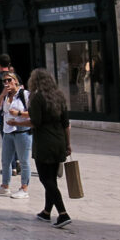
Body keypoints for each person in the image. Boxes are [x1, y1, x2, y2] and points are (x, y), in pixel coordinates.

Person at [28, 68, 73, 228]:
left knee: (45, 179)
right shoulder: (59, 96)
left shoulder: (37, 97)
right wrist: (68, 144)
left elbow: (36, 122)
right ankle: (46, 212)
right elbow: (66, 124)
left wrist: (16, 121)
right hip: (59, 141)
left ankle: (63, 213)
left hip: (44, 143)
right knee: (52, 178)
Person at [0, 72, 32, 198]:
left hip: (22, 131)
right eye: (4, 81)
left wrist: (19, 114)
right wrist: (2, 94)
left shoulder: (25, 94)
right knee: (6, 160)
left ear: (16, 81)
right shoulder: (6, 96)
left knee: (23, 161)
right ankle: (5, 186)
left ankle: (24, 188)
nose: (7, 83)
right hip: (8, 131)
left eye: (9, 80)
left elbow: (33, 113)